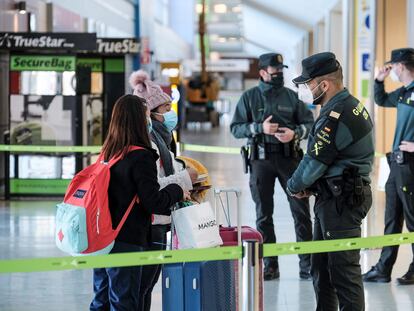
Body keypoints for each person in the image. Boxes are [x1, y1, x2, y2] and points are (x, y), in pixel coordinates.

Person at [286, 52, 374, 311]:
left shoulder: (335, 115)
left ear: (324, 85)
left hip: (341, 203)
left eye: (308, 84)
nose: (305, 90)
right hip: (332, 197)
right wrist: (312, 187)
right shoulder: (349, 104)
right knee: (322, 268)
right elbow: (336, 159)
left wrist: (294, 186)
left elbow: (314, 161)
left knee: (343, 273)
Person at [89, 94, 186, 311]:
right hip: (127, 239)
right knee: (126, 302)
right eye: (145, 116)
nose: (148, 120)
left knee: (102, 300)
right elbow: (154, 202)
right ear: (137, 120)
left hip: (102, 237)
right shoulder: (141, 156)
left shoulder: (108, 152)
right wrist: (178, 189)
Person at [230, 53, 314, 280]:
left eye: (281, 70)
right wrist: (259, 129)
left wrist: (295, 133)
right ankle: (270, 265)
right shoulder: (249, 97)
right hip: (260, 161)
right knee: (263, 216)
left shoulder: (291, 96)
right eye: (275, 71)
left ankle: (307, 265)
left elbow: (309, 123)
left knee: (301, 213)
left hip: (290, 160)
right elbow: (235, 128)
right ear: (263, 73)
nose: (279, 74)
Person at [129, 70, 198, 311]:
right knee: (142, 285)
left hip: (159, 218)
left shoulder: (163, 136)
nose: (171, 113)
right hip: (151, 221)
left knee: (146, 286)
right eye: (166, 108)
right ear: (150, 112)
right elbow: (155, 183)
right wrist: (184, 180)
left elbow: (165, 167)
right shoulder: (149, 141)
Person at [362, 48, 414, 285]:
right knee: (392, 218)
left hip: (411, 164)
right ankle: (383, 268)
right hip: (397, 164)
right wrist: (378, 81)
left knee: (412, 219)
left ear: (401, 66)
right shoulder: (404, 93)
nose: (391, 70)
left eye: (392, 67)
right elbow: (381, 100)